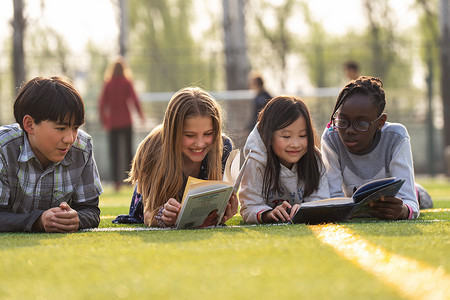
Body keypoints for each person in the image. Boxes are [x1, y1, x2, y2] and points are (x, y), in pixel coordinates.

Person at [113, 87, 238, 227]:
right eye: (189, 135)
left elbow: (218, 207)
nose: (200, 143)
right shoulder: (153, 147)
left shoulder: (223, 146)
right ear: (173, 132)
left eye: (208, 133)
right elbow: (148, 215)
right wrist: (163, 217)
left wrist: (224, 211)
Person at [0, 76, 103, 233]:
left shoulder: (82, 147)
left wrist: (77, 219)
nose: (70, 139)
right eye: (61, 128)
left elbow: (90, 210)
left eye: (75, 128)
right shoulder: (4, 148)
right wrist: (37, 221)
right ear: (29, 124)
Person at [321, 76, 430, 221]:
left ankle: (420, 191)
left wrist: (402, 211)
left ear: (380, 122)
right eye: (343, 120)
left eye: (361, 124)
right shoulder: (331, 137)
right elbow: (333, 199)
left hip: (405, 197)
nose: (350, 131)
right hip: (354, 202)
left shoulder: (396, 137)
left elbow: (409, 201)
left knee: (422, 198)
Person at [239, 96, 329, 224]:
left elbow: (322, 201)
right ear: (268, 135)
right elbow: (249, 206)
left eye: (303, 135)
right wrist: (268, 214)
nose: (295, 144)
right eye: (286, 136)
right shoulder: (256, 161)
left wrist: (305, 210)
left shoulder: (314, 159)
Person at [98, 56, 145, 191]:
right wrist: (141, 116)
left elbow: (102, 104)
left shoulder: (108, 84)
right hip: (126, 122)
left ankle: (116, 183)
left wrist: (104, 120)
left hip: (112, 123)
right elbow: (134, 100)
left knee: (114, 153)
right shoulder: (126, 82)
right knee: (128, 152)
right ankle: (131, 180)